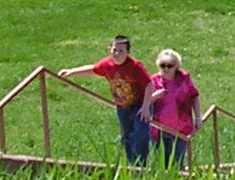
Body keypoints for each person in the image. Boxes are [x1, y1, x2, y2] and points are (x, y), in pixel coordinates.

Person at [58, 35, 151, 167]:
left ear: (128, 53)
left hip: (139, 104)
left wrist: (146, 106)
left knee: (141, 134)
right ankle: (132, 166)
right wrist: (71, 72)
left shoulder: (135, 66)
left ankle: (142, 165)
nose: (117, 54)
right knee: (127, 136)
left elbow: (149, 84)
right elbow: (93, 69)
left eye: (121, 51)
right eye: (114, 50)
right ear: (109, 49)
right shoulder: (107, 65)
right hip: (122, 106)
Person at [143, 48, 203, 168]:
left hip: (181, 130)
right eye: (162, 65)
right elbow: (143, 104)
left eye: (169, 66)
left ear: (176, 66)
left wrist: (198, 117)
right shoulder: (153, 81)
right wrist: (154, 97)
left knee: (177, 163)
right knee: (161, 164)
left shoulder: (184, 79)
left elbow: (194, 97)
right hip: (158, 129)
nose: (165, 69)